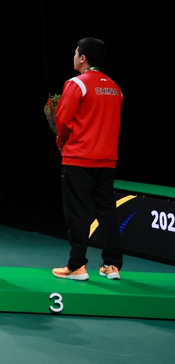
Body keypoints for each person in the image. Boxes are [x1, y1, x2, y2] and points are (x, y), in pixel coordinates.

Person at [52, 37, 124, 281]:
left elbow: (63, 120)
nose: (74, 57)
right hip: (107, 160)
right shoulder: (115, 88)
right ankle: (112, 265)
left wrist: (61, 142)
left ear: (83, 58)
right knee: (107, 210)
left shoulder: (77, 84)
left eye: (75, 53)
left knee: (78, 212)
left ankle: (77, 266)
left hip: (79, 159)